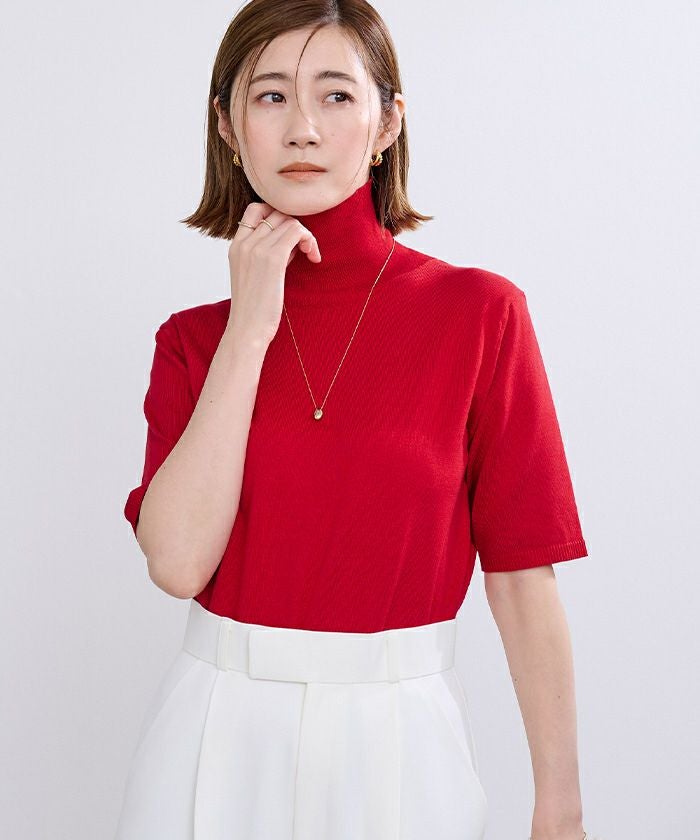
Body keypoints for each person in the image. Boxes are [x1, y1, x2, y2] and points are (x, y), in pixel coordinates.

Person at [115, 2, 591, 839]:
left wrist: (561, 806)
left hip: (401, 739)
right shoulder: (192, 341)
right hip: (215, 734)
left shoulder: (479, 314)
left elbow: (522, 577)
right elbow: (179, 564)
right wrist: (250, 327)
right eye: (270, 96)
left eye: (336, 95)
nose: (302, 127)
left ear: (387, 123)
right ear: (227, 126)